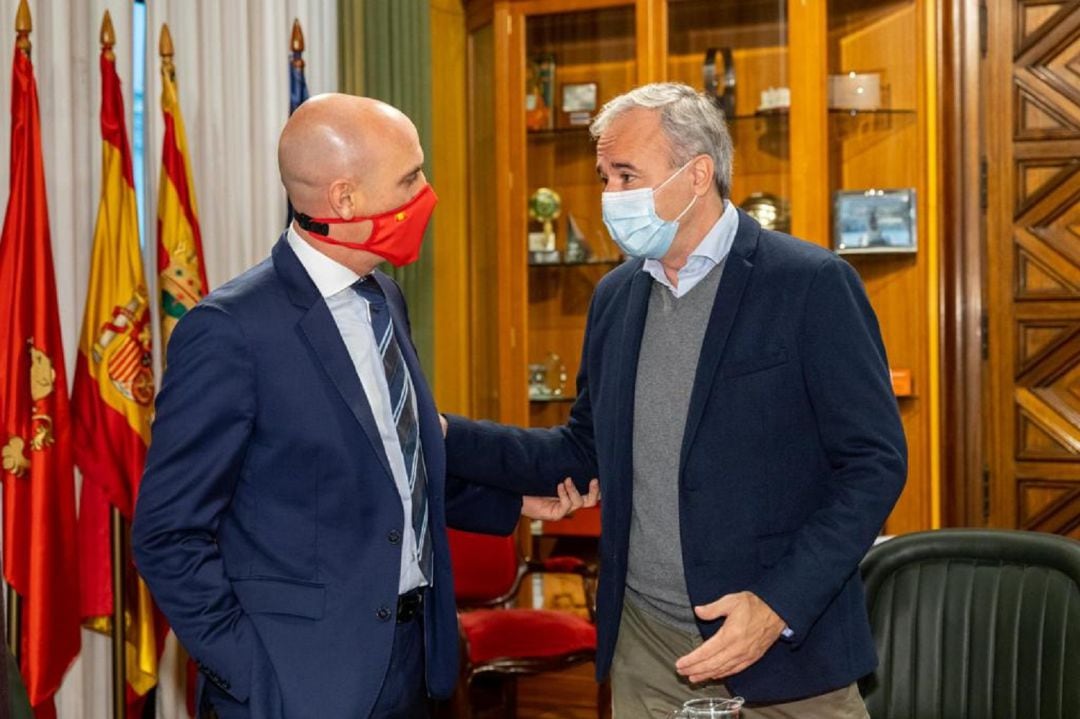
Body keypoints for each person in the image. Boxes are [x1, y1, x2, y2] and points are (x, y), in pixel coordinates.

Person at [443, 83, 907, 718]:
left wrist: (778, 607)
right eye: (604, 176)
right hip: (649, 649)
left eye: (627, 174)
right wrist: (444, 435)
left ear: (698, 175)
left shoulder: (811, 283)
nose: (610, 196)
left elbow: (873, 463)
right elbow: (585, 447)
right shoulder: (615, 296)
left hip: (786, 653)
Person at [132, 93, 598, 719]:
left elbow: (384, 462)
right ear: (345, 199)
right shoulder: (229, 332)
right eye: (410, 178)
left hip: (409, 662)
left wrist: (509, 503)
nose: (427, 191)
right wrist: (252, 675)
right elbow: (167, 535)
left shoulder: (384, 297)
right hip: (294, 686)